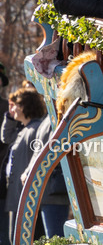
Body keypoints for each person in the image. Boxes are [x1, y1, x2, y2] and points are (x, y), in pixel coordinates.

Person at [3, 83, 49, 243]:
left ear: (25, 106)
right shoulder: (24, 129)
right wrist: (9, 117)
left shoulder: (36, 129)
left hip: (28, 198)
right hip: (17, 196)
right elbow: (6, 137)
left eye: (17, 105)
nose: (13, 109)